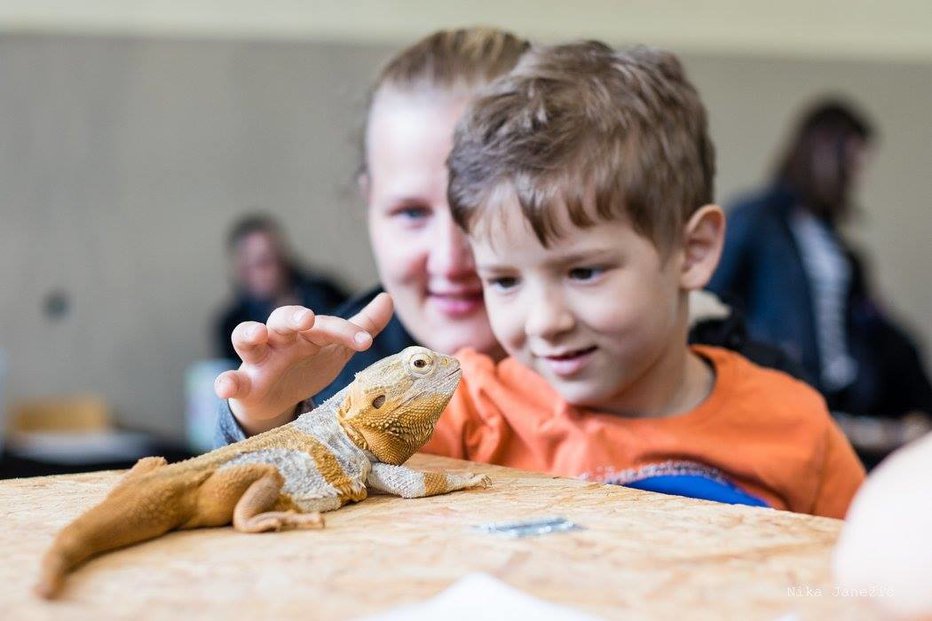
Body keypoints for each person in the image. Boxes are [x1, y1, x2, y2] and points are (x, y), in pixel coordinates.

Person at [419, 42, 864, 518]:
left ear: (692, 252)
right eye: (505, 281)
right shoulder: (466, 413)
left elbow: (868, 581)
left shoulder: (796, 429)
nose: (543, 322)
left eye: (583, 272)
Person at [213, 28, 529, 442]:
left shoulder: (622, 353)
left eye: (482, 209)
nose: (449, 259)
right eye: (412, 212)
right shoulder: (334, 370)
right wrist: (264, 419)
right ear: (369, 203)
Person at [707, 99, 932, 463]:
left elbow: (860, 317)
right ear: (824, 152)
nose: (858, 175)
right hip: (787, 382)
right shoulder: (758, 219)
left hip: (841, 389)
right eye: (852, 161)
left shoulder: (832, 241)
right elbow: (714, 300)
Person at [215, 214, 349, 361]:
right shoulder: (231, 323)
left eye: (270, 259)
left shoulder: (323, 291)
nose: (266, 271)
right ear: (240, 269)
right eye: (256, 263)